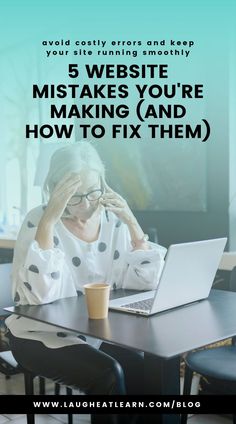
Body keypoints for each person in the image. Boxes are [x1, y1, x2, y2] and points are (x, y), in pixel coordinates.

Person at [6, 142, 166, 423]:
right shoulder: (37, 220)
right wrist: (48, 221)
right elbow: (39, 298)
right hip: (36, 335)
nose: (87, 204)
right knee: (108, 374)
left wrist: (131, 221)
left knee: (146, 371)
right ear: (56, 190)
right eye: (74, 196)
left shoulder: (111, 221)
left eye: (93, 192)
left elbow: (146, 281)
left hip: (93, 335)